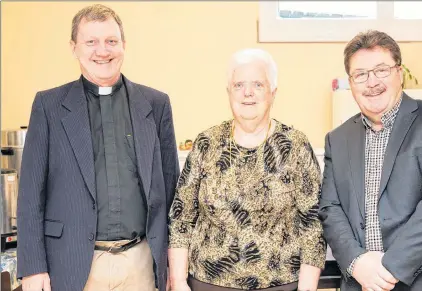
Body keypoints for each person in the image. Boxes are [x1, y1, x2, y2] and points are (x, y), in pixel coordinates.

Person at [16, 4, 179, 291]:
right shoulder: (49, 106)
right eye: (91, 42)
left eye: (111, 41)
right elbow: (30, 194)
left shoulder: (155, 104)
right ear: (74, 47)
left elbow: (171, 192)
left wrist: (173, 268)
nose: (102, 51)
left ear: (124, 45)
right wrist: (32, 267)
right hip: (70, 263)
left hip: (140, 263)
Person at [319, 30, 422, 291]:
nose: (372, 82)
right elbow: (330, 208)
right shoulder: (338, 138)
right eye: (361, 74)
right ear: (351, 82)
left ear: (399, 73)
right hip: (362, 282)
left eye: (381, 70)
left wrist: (387, 269)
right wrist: (357, 263)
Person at [168, 48, 326, 291]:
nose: (248, 93)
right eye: (239, 85)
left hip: (281, 283)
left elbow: (312, 224)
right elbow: (182, 216)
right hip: (207, 283)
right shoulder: (206, 143)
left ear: (273, 92)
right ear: (228, 92)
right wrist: (178, 281)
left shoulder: (295, 145)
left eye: (258, 85)